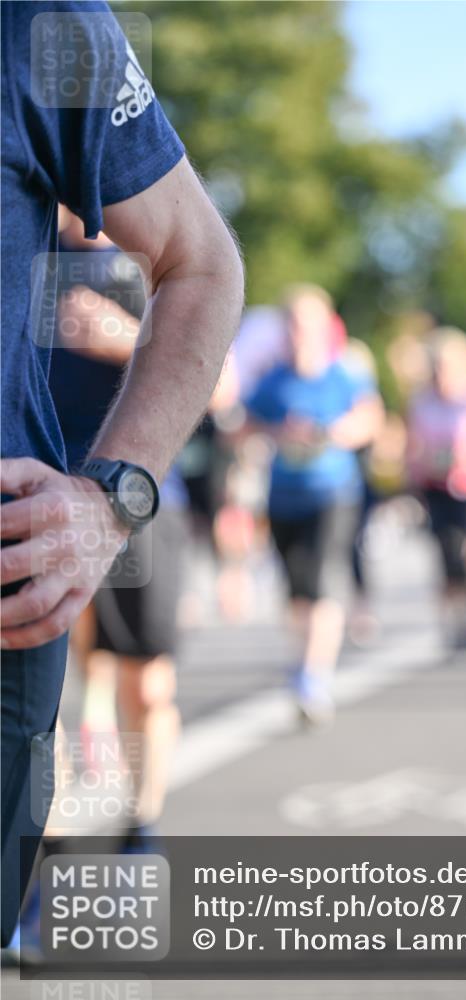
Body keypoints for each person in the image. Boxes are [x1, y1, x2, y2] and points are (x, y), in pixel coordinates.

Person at [1, 1, 244, 946]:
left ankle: (142, 824)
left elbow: (204, 275)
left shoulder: (42, 23)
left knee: (143, 680)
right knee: (96, 688)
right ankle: (58, 851)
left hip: (92, 521)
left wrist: (113, 498)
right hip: (58, 538)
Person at [49, 209, 188, 848]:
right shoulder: (24, 247)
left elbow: (221, 381)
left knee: (148, 683)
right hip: (42, 498)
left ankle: (143, 821)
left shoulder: (150, 247)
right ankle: (39, 852)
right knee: (31, 690)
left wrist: (121, 336)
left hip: (138, 497)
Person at [244, 285, 383, 723]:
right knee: (296, 590)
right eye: (294, 325)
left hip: (333, 492)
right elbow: (242, 425)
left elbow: (372, 419)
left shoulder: (344, 374)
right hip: (284, 495)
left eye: (309, 325)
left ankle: (314, 677)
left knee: (323, 583)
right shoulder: (272, 379)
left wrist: (332, 432)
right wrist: (277, 434)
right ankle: (301, 658)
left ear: (326, 327)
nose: (300, 333)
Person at [406, 328, 466, 650]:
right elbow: (413, 445)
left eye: (450, 366)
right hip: (436, 486)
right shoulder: (422, 401)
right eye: (438, 366)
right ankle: (453, 615)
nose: (443, 374)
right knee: (447, 551)